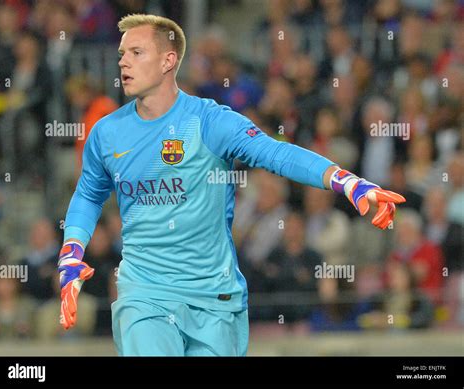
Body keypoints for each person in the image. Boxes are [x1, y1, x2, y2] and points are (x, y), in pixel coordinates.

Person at [57, 14, 405, 356]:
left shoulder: (209, 122)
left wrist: (345, 180)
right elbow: (88, 194)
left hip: (215, 298)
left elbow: (275, 153)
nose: (123, 62)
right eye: (121, 54)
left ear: (168, 61)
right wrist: (72, 250)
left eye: (136, 52)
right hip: (144, 292)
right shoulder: (107, 132)